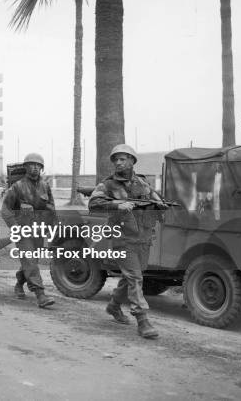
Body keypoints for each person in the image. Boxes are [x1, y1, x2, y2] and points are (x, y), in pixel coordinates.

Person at [89, 144, 165, 339]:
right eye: (116, 159)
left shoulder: (143, 183)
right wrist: (117, 204)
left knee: (131, 276)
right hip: (122, 239)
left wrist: (160, 205)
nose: (118, 162)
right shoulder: (108, 185)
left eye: (123, 158)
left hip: (143, 238)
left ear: (132, 161)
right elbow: (94, 204)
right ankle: (143, 320)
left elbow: (157, 199)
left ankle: (114, 306)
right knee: (135, 278)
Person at [1, 153, 57, 308]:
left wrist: (53, 228)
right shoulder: (17, 187)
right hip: (23, 230)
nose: (35, 167)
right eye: (31, 165)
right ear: (25, 167)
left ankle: (19, 283)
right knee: (30, 260)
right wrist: (15, 227)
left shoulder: (45, 186)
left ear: (41, 168)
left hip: (39, 230)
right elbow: (5, 210)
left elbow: (52, 208)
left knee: (31, 261)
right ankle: (40, 295)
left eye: (38, 165)